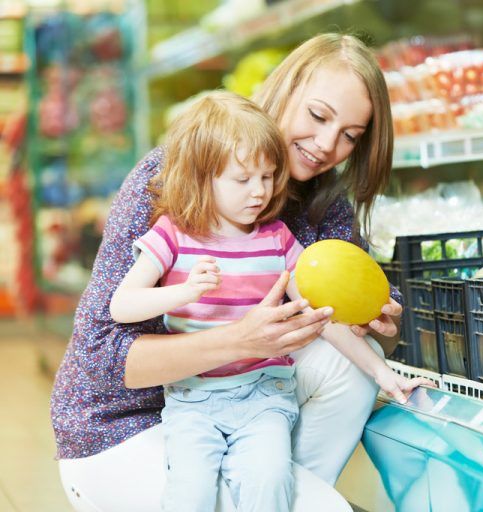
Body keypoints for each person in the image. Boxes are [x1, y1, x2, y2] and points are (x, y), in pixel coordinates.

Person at [51, 33, 425, 512]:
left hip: (251, 407)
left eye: (351, 135)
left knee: (352, 364)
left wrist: (380, 327)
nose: (327, 144)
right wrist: (238, 341)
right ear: (283, 90)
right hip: (127, 424)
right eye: (317, 115)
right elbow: (102, 358)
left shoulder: (322, 200)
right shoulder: (174, 174)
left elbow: (344, 323)